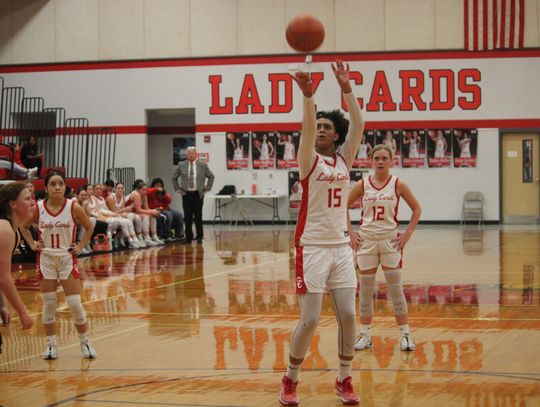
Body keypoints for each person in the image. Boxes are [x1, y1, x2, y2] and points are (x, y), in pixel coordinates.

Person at [279, 60, 364, 406]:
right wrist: (309, 95)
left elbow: (360, 123)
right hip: (311, 247)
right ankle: (290, 379)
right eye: (319, 126)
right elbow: (304, 129)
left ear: (338, 134)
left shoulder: (345, 159)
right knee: (310, 319)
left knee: (347, 315)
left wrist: (347, 88)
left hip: (341, 247)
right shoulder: (308, 160)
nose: (321, 130)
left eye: (327, 126)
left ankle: (344, 378)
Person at [347, 144, 421, 353]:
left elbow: (417, 209)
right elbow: (342, 206)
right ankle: (365, 335)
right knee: (365, 292)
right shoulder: (362, 184)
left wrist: (406, 235)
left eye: (383, 158)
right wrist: (350, 233)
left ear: (391, 161)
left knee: (396, 290)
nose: (380, 162)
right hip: (367, 242)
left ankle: (405, 334)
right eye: (376, 158)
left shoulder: (398, 184)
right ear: (371, 161)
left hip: (390, 242)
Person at [19, 172, 97, 360]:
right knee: (49, 303)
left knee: (74, 304)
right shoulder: (38, 207)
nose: (57, 187)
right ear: (45, 188)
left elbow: (90, 226)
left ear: (65, 187)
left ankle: (85, 342)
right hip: (46, 259)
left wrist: (80, 245)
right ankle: (51, 345)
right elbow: (23, 226)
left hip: (66, 258)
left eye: (61, 184)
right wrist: (31, 244)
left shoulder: (73, 206)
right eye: (53, 184)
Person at [0, 182, 34, 337]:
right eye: (27, 199)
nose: (32, 202)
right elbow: (3, 278)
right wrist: (23, 312)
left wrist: (2, 305)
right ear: (13, 204)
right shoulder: (4, 230)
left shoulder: (14, 231)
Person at [171, 146, 214, 244]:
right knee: (187, 216)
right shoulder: (181, 165)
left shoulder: (202, 165)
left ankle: (199, 236)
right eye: (189, 153)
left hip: (198, 194)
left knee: (198, 216)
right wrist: (177, 189)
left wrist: (207, 188)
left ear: (196, 154)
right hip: (186, 193)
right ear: (186, 155)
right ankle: (188, 237)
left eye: (192, 153)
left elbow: (211, 176)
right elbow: (173, 178)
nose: (190, 155)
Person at [148, 178, 185, 242]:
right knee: (169, 215)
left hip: (165, 208)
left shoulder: (163, 192)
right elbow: (148, 191)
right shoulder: (150, 192)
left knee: (178, 215)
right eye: (156, 185)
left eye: (160, 185)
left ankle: (179, 234)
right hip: (156, 209)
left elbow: (169, 200)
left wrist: (164, 193)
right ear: (153, 185)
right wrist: (155, 189)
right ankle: (166, 235)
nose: (158, 187)